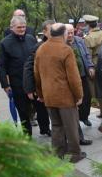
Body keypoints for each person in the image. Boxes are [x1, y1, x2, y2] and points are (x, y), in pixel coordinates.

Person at [34, 23, 85, 163]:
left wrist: (41, 94)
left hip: (49, 96)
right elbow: (73, 77)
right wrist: (79, 95)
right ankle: (74, 154)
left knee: (56, 126)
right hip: (65, 97)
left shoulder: (41, 49)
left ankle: (58, 153)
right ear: (63, 34)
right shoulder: (65, 50)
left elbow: (37, 75)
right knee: (71, 126)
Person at [0, 16, 38, 135]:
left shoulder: (31, 39)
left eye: (24, 27)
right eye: (19, 27)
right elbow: (1, 66)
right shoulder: (5, 43)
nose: (22, 29)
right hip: (17, 82)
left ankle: (46, 128)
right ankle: (27, 135)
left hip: (33, 80)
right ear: (12, 28)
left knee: (40, 107)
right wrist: (5, 85)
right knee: (23, 111)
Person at [22, 20, 54, 137]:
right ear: (45, 32)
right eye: (51, 30)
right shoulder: (39, 47)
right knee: (43, 110)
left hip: (57, 87)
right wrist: (29, 89)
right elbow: (28, 67)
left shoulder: (62, 44)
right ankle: (45, 129)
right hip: (44, 87)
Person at [66, 24, 95, 127]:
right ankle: (76, 120)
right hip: (71, 78)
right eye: (67, 33)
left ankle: (84, 117)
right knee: (75, 99)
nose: (70, 35)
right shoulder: (62, 44)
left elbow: (87, 54)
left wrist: (91, 66)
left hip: (83, 75)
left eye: (71, 32)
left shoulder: (79, 40)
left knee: (87, 97)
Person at [83, 15, 102, 118]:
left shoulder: (88, 38)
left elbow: (88, 55)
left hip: (96, 64)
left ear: (87, 25)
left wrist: (90, 68)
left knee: (99, 90)